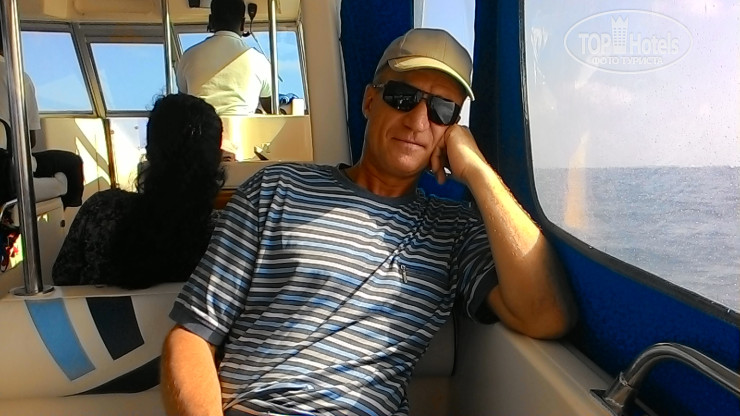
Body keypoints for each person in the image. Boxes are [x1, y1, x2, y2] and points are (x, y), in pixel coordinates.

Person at [161, 28, 576, 416]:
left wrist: (478, 172)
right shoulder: (275, 188)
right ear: (369, 101)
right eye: (402, 97)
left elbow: (545, 314)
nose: (418, 121)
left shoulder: (453, 231)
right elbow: (192, 335)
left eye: (441, 109)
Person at [52, 94, 225, 289]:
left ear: (149, 151)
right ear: (217, 159)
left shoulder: (99, 209)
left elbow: (62, 277)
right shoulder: (227, 234)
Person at [0, 31, 84, 208]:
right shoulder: (19, 78)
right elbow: (29, 141)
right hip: (11, 167)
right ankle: (72, 215)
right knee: (72, 162)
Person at [176, 0, 272, 116]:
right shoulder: (259, 61)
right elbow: (270, 106)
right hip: (242, 127)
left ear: (211, 21)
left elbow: (183, 101)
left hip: (202, 126)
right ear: (242, 24)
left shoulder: (189, 56)